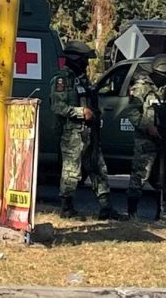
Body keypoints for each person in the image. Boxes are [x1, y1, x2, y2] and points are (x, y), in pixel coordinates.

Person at [50, 40, 124, 220]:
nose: (86, 63)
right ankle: (66, 208)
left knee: (99, 168)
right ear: (74, 59)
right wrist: (80, 112)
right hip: (72, 133)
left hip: (90, 132)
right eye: (84, 59)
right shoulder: (62, 79)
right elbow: (58, 106)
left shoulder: (82, 79)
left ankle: (106, 208)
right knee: (71, 171)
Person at [124, 54, 166, 220]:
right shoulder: (141, 87)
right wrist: (147, 126)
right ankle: (132, 213)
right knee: (139, 175)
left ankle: (161, 212)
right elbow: (132, 113)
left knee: (164, 178)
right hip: (146, 141)